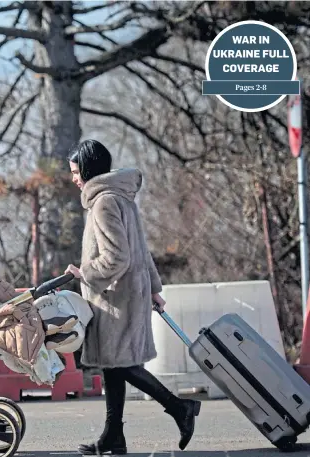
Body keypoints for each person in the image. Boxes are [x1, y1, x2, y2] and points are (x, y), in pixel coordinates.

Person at [64, 139, 201, 455]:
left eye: (74, 171)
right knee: (114, 366)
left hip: (117, 299)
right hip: (130, 293)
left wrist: (85, 273)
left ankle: (180, 408)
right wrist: (153, 288)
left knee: (120, 365)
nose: (73, 178)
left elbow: (117, 258)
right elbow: (142, 251)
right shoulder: (122, 199)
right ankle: (114, 436)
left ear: (87, 169)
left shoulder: (103, 203)